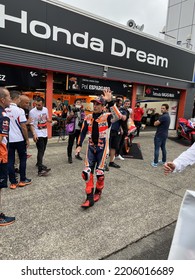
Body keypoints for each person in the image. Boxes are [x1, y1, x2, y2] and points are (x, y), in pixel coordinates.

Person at [76, 89, 123, 208]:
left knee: (100, 174)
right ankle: (89, 198)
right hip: (91, 148)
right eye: (94, 104)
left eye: (98, 104)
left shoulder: (107, 117)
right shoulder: (88, 117)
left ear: (102, 106)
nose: (95, 106)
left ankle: (98, 191)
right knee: (86, 173)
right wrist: (79, 145)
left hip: (102, 149)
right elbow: (82, 133)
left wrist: (111, 101)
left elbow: (118, 116)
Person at [5, 91, 31, 189]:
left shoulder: (3, 109)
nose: (20, 100)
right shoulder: (19, 110)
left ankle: (13, 182)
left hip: (8, 140)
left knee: (10, 161)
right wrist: (27, 139)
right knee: (23, 159)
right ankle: (22, 180)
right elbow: (23, 126)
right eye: (19, 98)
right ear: (15, 98)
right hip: (19, 139)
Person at [0, 87, 15, 226]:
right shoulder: (3, 115)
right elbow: (1, 138)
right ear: (2, 100)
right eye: (9, 97)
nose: (10, 100)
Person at [29, 96, 52, 176]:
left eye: (39, 105)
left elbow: (47, 119)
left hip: (44, 132)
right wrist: (34, 134)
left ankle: (39, 163)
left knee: (43, 149)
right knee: (41, 150)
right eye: (36, 105)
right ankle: (40, 170)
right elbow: (31, 124)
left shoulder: (46, 109)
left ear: (43, 104)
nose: (37, 106)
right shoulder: (32, 112)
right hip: (37, 133)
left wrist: (51, 121)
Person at [66, 99, 85, 164]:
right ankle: (69, 156)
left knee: (79, 143)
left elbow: (84, 119)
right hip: (72, 129)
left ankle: (77, 154)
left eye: (80, 102)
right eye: (77, 102)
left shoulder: (82, 110)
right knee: (70, 143)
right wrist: (72, 115)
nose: (78, 104)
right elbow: (67, 119)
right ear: (74, 103)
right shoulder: (71, 110)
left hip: (79, 129)